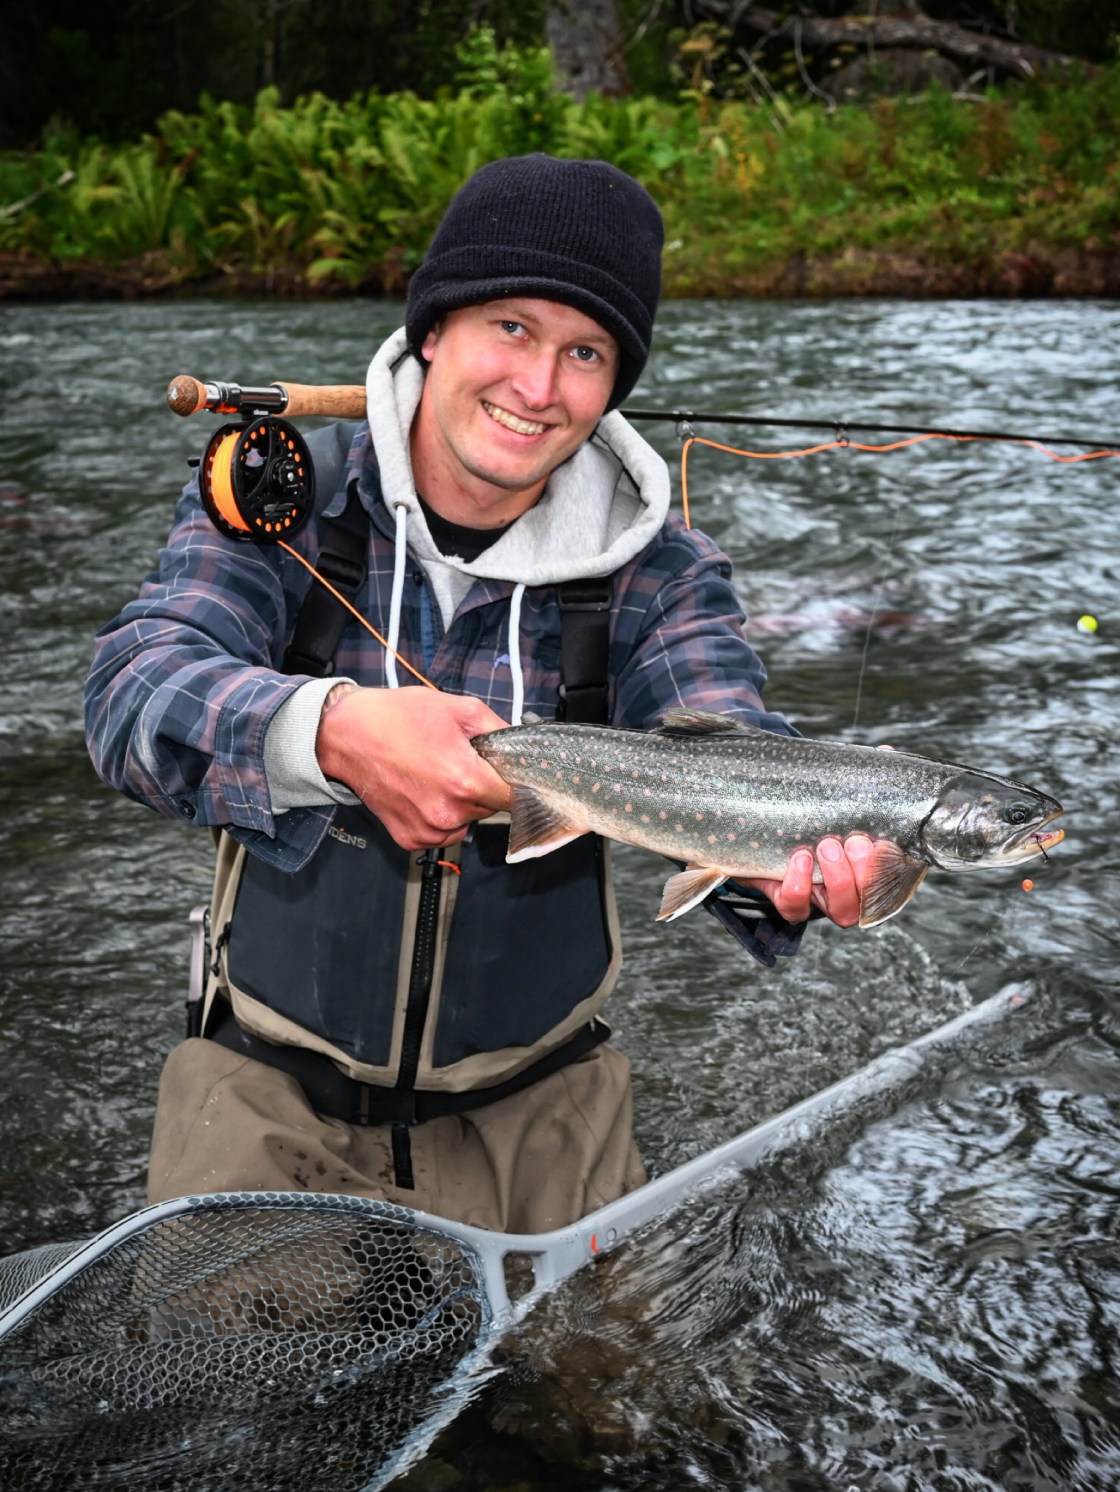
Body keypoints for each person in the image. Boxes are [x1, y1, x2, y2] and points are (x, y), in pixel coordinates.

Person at [85, 154, 875, 1234]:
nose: (539, 388)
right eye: (509, 327)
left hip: (548, 1108)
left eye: (584, 352)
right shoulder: (284, 499)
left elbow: (730, 740)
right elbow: (132, 691)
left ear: (612, 383)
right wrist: (330, 731)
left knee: (625, 1405)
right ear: (432, 330)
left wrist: (795, 865)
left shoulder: (664, 572)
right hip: (265, 1093)